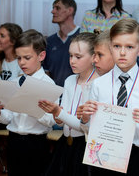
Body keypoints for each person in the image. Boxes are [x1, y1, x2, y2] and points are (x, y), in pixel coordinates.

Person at [78, 18, 139, 176]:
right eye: (117, 46)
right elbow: (88, 129)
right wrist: (85, 118)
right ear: (110, 47)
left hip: (137, 156)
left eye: (129, 47)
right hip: (102, 155)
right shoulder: (98, 84)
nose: (123, 52)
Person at [0, 29, 56, 176]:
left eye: (27, 57)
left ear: (41, 56)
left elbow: (51, 121)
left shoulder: (49, 85)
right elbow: (9, 117)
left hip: (36, 144)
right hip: (13, 141)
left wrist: (33, 108)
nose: (22, 63)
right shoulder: (14, 82)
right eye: (18, 58)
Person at [38, 32, 98, 176]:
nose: (72, 61)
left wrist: (59, 113)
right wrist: (57, 116)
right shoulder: (70, 80)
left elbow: (85, 128)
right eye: (70, 55)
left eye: (78, 57)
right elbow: (62, 119)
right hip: (65, 142)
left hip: (84, 147)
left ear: (93, 57)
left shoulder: (98, 84)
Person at [0, 23, 23, 131]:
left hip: (10, 112)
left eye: (2, 36)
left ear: (13, 41)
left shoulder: (22, 63)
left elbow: (20, 93)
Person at [43, 0, 80, 87]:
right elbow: (46, 72)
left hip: (77, 94)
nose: (53, 11)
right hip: (54, 94)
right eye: (53, 8)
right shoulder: (49, 41)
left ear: (70, 10)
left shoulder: (82, 38)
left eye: (57, 8)